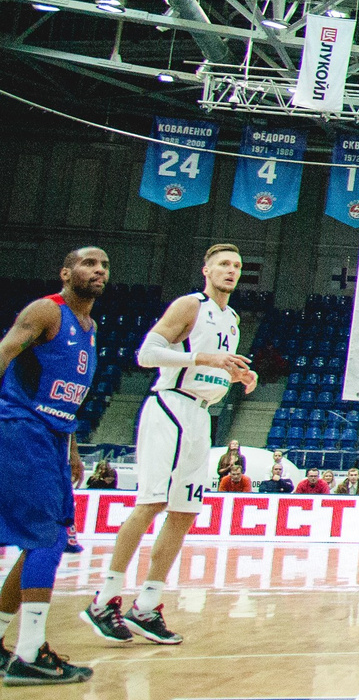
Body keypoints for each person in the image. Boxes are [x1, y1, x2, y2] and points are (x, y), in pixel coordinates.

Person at [85, 242, 255, 648]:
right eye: (224, 264)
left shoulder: (232, 319)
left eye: (236, 265)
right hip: (170, 406)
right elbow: (147, 354)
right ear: (206, 270)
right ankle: (105, 598)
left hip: (201, 415)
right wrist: (203, 359)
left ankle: (147, 604)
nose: (231, 270)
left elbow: (210, 369)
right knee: (152, 502)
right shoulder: (190, 305)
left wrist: (235, 377)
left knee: (184, 511)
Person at [0, 247, 110, 684]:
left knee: (44, 540)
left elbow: (65, 395)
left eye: (104, 265)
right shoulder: (47, 311)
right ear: (66, 273)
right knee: (47, 536)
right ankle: (29, 653)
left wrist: (73, 448)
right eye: (89, 263)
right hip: (21, 427)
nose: (98, 270)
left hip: (55, 436)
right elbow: (4, 351)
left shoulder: (92, 328)